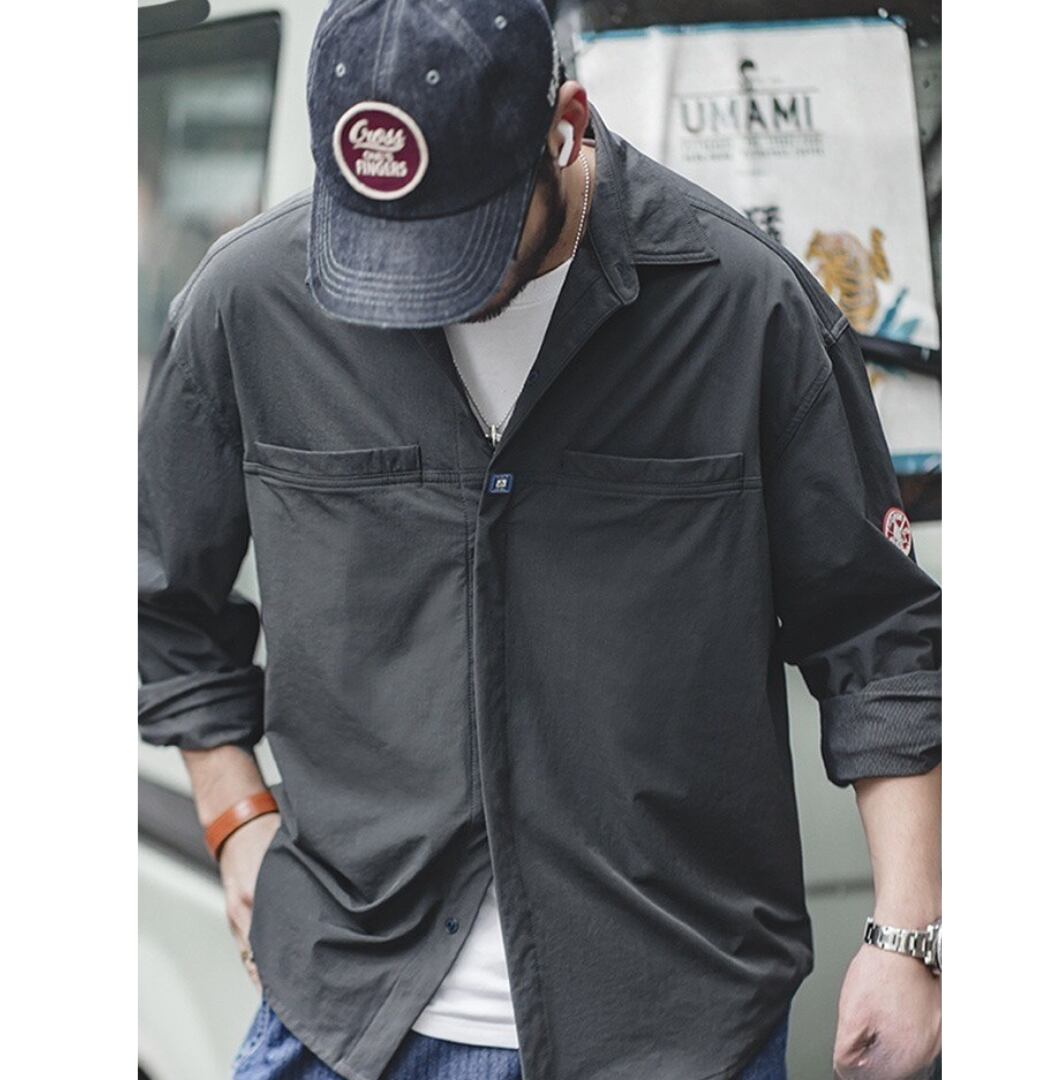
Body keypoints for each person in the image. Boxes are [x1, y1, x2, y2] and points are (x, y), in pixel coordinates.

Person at [138, 1, 942, 1078]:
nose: (417, 291)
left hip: (671, 1029)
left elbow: (878, 638)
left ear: (566, 124)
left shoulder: (746, 307)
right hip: (346, 1017)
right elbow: (163, 603)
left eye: (458, 243)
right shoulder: (249, 302)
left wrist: (908, 935)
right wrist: (235, 816)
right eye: (383, 246)